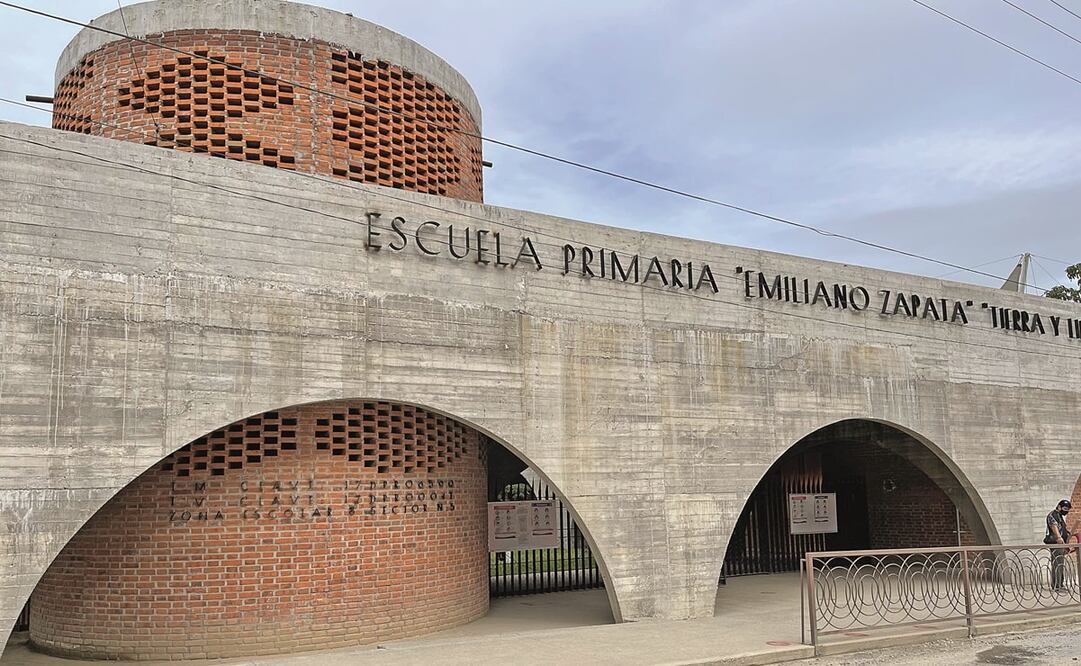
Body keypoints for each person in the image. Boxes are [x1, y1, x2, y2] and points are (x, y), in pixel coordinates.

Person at [1045, 498, 1072, 591]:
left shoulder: (1059, 516)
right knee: (1057, 563)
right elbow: (1054, 526)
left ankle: (1060, 584)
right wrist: (1059, 537)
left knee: (1060, 563)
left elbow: (1062, 528)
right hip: (1056, 543)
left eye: (1068, 510)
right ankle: (1057, 585)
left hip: (1061, 544)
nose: (1066, 511)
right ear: (1059, 507)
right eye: (1065, 509)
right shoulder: (1053, 515)